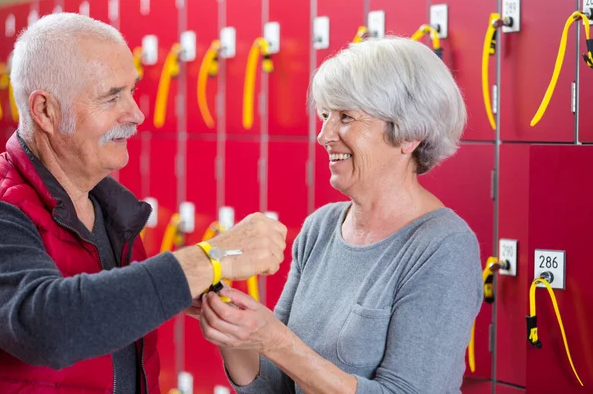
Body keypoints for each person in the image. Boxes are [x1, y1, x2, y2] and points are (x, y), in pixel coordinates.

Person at [0, 13, 287, 394]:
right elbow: (50, 326)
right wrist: (211, 256)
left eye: (132, 91)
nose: (136, 114)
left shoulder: (113, 214)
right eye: (112, 96)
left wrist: (173, 285)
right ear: (46, 111)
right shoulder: (1, 205)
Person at [191, 36, 484, 393]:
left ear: (410, 135)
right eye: (326, 115)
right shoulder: (321, 228)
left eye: (345, 117)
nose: (323, 135)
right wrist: (229, 327)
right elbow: (275, 386)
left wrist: (275, 341)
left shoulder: (443, 248)